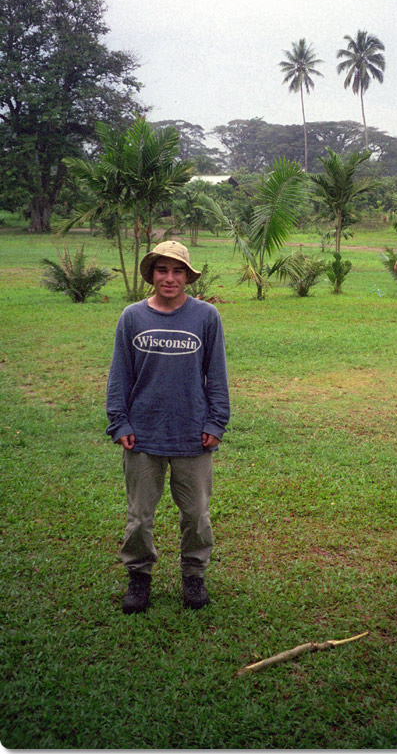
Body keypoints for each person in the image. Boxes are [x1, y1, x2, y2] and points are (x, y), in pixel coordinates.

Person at [106, 240, 230, 614]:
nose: (170, 278)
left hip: (193, 432)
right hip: (142, 433)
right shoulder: (132, 317)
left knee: (196, 515)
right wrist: (120, 421)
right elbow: (119, 375)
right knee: (140, 516)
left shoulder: (206, 317)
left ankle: (194, 575)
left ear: (188, 277)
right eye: (162, 270)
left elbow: (218, 375)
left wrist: (216, 421)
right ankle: (139, 578)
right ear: (152, 274)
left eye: (178, 271)